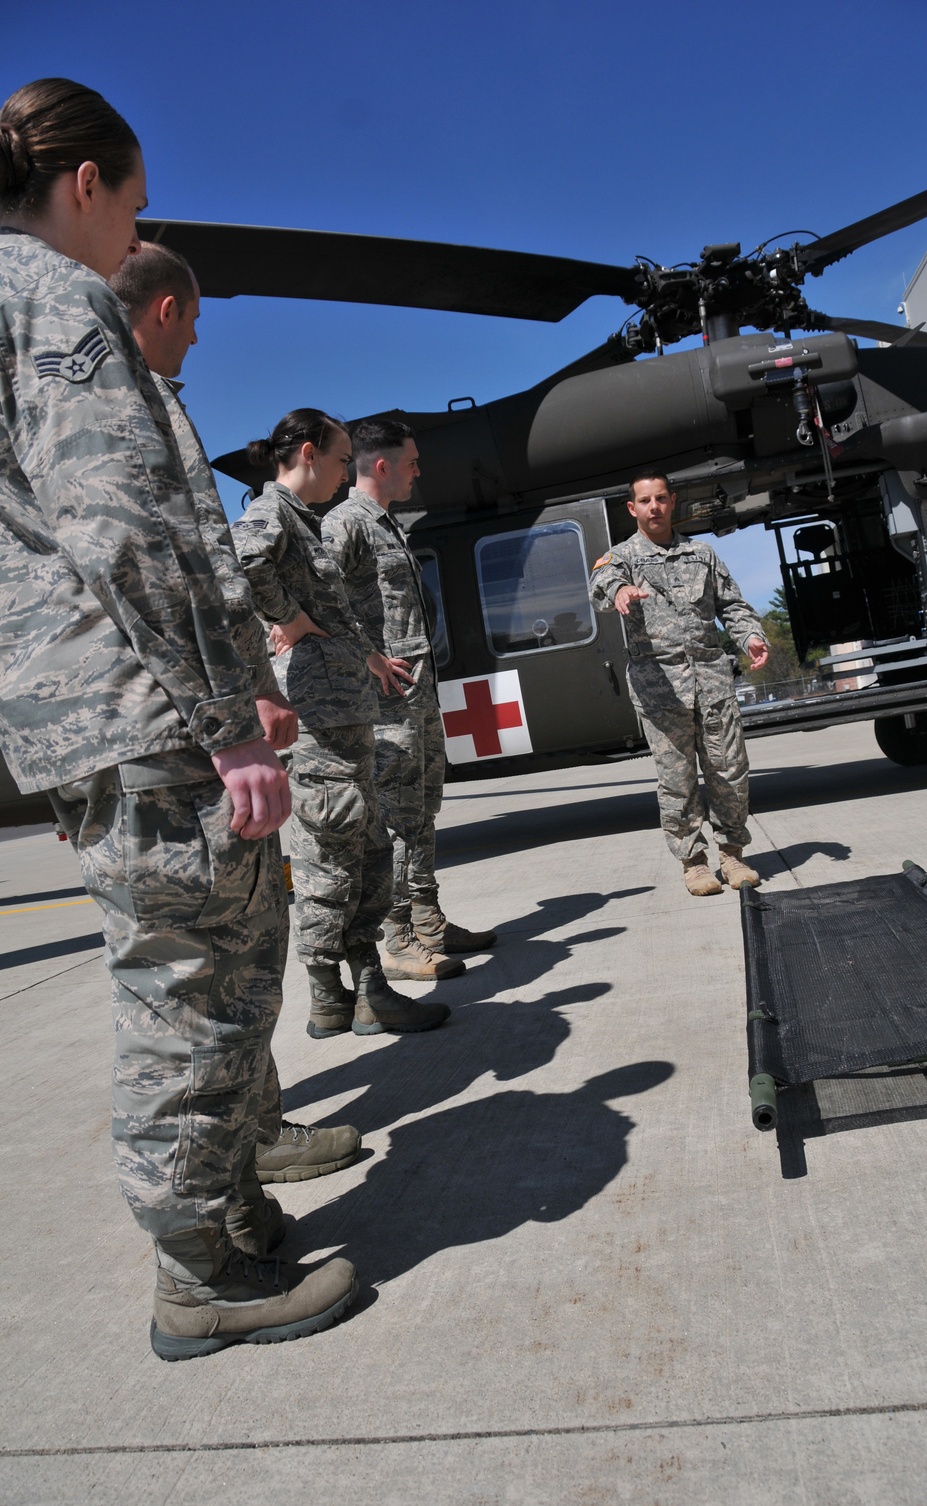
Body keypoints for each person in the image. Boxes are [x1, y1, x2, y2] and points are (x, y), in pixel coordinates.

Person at [0, 77, 356, 1361]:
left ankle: (234, 1215)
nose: (132, 231)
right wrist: (228, 723)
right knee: (188, 999)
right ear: (85, 185)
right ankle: (199, 1276)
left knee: (202, 975)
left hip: (85, 711)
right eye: (132, 203)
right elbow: (120, 531)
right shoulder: (52, 297)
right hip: (140, 713)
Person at [110, 241, 363, 1190]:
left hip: (180, 722)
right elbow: (173, 572)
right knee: (207, 978)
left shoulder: (131, 400)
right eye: (197, 318)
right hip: (170, 734)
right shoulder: (114, 400)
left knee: (236, 967)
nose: (200, 337)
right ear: (169, 309)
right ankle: (209, 1224)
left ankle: (253, 1139)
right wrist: (237, 712)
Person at [233, 410, 450, 1036]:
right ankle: (329, 993)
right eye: (338, 459)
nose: (342, 473)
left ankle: (370, 989)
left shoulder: (306, 523)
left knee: (369, 852)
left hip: (350, 714)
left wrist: (367, 654)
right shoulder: (271, 515)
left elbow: (334, 612)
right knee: (328, 858)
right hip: (321, 721)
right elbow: (245, 568)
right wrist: (289, 618)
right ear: (308, 453)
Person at [319, 418, 496, 979]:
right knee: (395, 821)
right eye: (412, 462)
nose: (419, 471)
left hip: (415, 700)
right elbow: (318, 601)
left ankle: (429, 923)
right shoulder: (346, 524)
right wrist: (367, 657)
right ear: (381, 465)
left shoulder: (388, 527)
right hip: (384, 705)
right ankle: (396, 941)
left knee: (421, 815)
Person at [589, 473, 769, 897]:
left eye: (661, 499)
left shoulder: (702, 554)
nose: (654, 507)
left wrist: (750, 637)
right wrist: (620, 592)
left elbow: (733, 604)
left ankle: (732, 854)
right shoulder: (622, 557)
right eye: (645, 501)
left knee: (729, 770)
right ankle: (694, 863)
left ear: (673, 502)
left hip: (712, 681)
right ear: (632, 509)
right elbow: (601, 584)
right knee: (677, 779)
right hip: (660, 689)